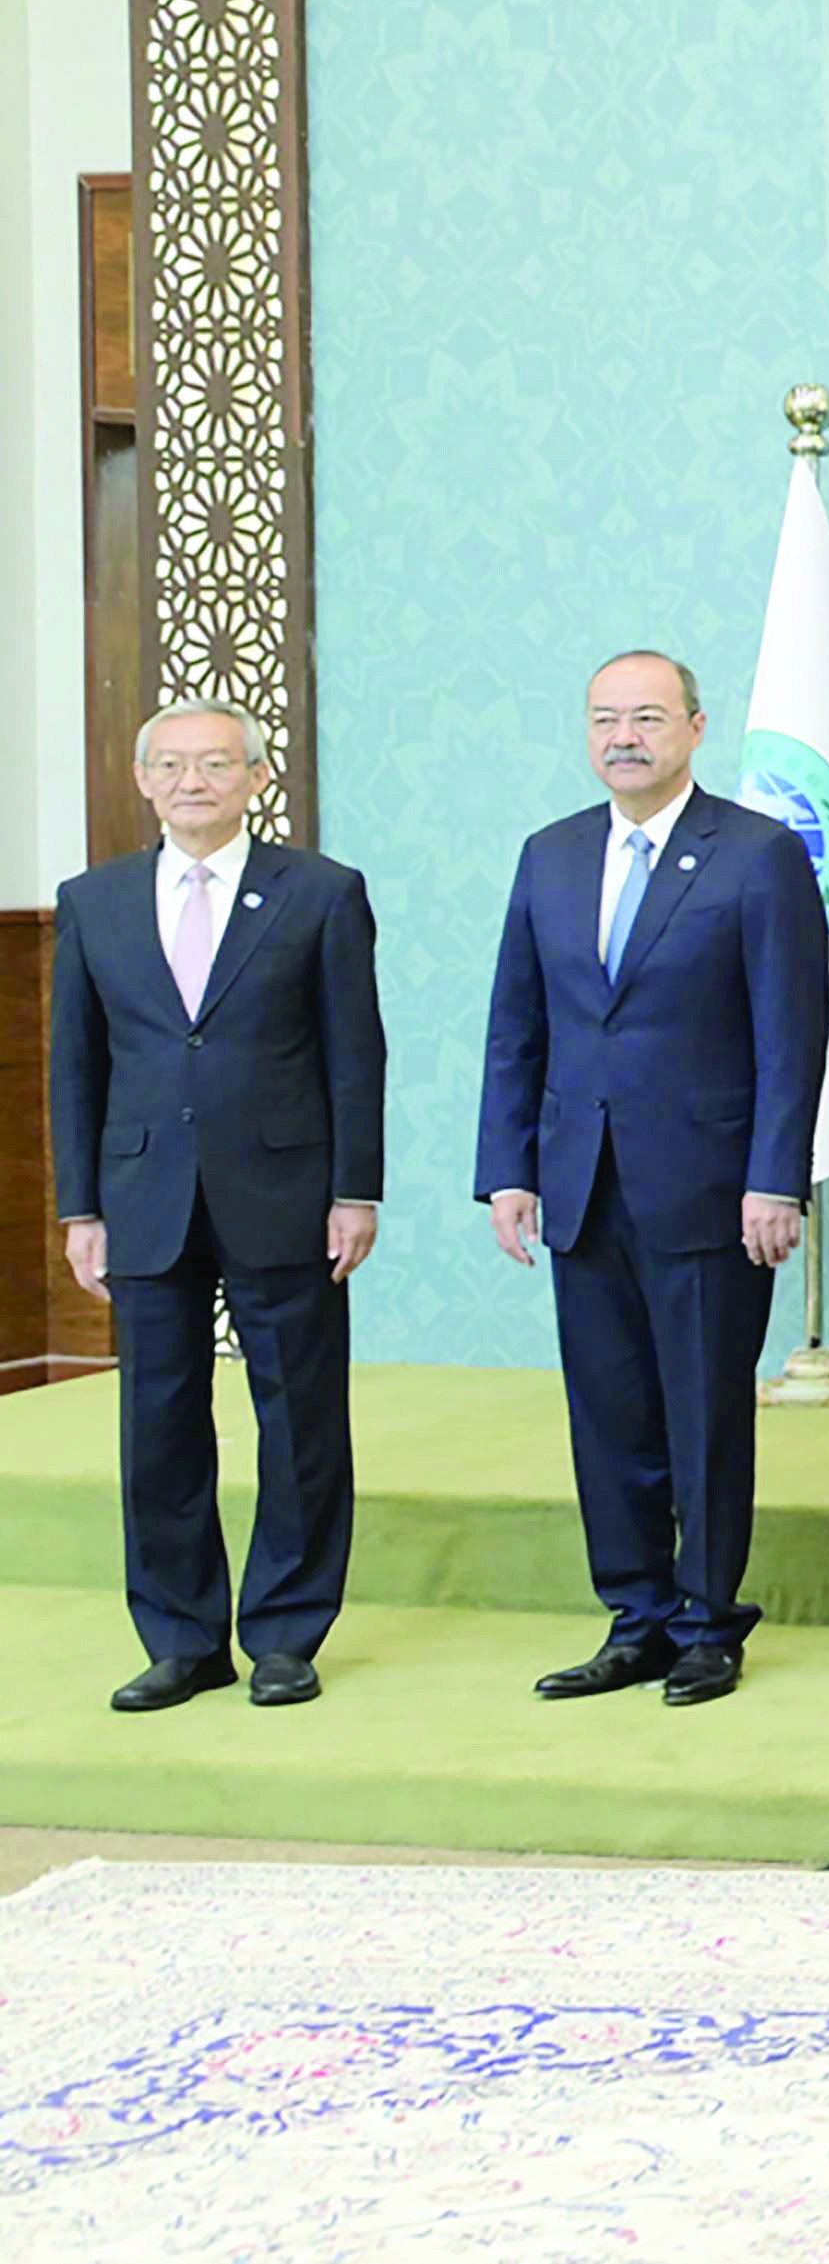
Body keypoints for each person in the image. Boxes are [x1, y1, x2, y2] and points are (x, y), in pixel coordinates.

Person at [477, 648, 824, 1707]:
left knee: (705, 1411)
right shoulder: (551, 855)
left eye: (646, 717)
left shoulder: (756, 855)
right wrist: (509, 1171)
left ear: (695, 727)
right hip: (580, 1181)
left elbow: (791, 1032)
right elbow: (516, 1025)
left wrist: (777, 1178)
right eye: (603, 719)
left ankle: (708, 1621)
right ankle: (634, 1616)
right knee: (611, 1412)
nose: (623, 736)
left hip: (713, 1187)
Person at [51, 703, 381, 1711]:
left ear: (254, 777)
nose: (195, 781)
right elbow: (76, 1063)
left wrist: (353, 1190)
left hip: (287, 1191)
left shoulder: (319, 892)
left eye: (217, 764)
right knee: (157, 1421)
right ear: (144, 778)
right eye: (174, 765)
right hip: (142, 1192)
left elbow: (354, 1054)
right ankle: (182, 1638)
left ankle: (285, 1633)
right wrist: (81, 1208)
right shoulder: (92, 899)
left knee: (301, 1418)